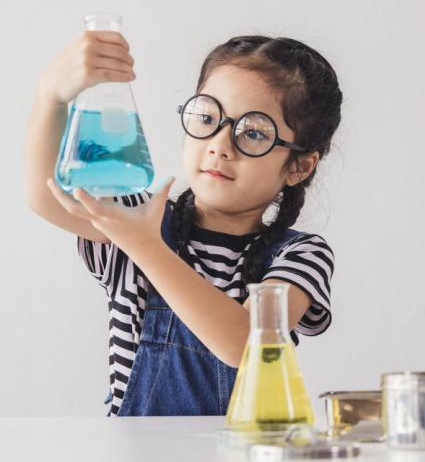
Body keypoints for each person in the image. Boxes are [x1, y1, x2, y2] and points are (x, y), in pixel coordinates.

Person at [24, 30, 342, 417]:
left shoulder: (300, 254)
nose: (220, 144)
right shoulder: (139, 219)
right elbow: (46, 195)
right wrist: (51, 94)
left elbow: (246, 344)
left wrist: (145, 247)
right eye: (208, 117)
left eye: (254, 133)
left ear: (299, 165)